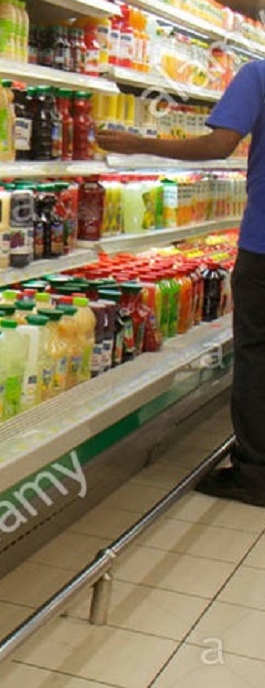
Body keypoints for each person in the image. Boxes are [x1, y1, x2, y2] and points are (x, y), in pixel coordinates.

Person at [98, 66, 261, 505]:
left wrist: (139, 144)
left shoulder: (258, 75)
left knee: (257, 356)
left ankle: (256, 474)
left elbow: (218, 145)